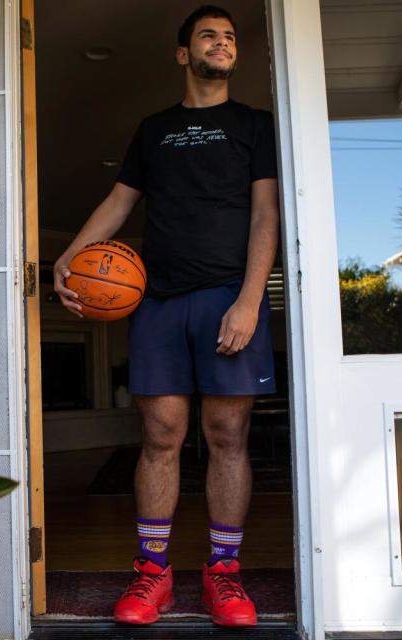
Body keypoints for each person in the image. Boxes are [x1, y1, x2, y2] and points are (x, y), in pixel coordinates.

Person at [52, 4, 279, 628]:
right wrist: (68, 256)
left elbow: (265, 216)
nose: (222, 43)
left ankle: (223, 576)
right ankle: (154, 574)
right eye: (209, 35)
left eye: (229, 37)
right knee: (159, 438)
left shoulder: (253, 124)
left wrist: (250, 300)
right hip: (157, 301)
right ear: (185, 54)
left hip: (227, 296)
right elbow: (118, 202)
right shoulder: (153, 130)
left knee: (227, 437)